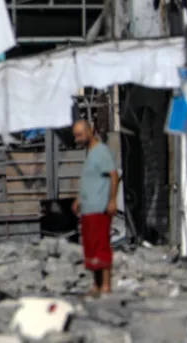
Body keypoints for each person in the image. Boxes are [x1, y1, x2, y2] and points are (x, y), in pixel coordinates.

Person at [71, 120, 119, 296]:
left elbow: (114, 175)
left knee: (101, 245)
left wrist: (112, 200)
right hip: (88, 208)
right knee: (91, 247)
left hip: (99, 207)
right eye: (76, 135)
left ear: (90, 131)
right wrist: (78, 199)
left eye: (80, 134)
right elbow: (89, 180)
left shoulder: (101, 151)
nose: (78, 139)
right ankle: (96, 285)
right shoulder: (90, 153)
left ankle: (105, 285)